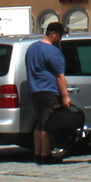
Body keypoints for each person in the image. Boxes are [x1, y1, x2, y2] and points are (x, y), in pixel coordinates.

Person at [26, 21, 71, 165]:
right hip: (49, 90)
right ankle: (45, 155)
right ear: (53, 35)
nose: (60, 39)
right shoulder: (53, 51)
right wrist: (65, 96)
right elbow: (60, 76)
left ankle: (37, 153)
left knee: (39, 122)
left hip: (34, 90)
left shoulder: (32, 48)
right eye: (60, 36)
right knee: (48, 124)